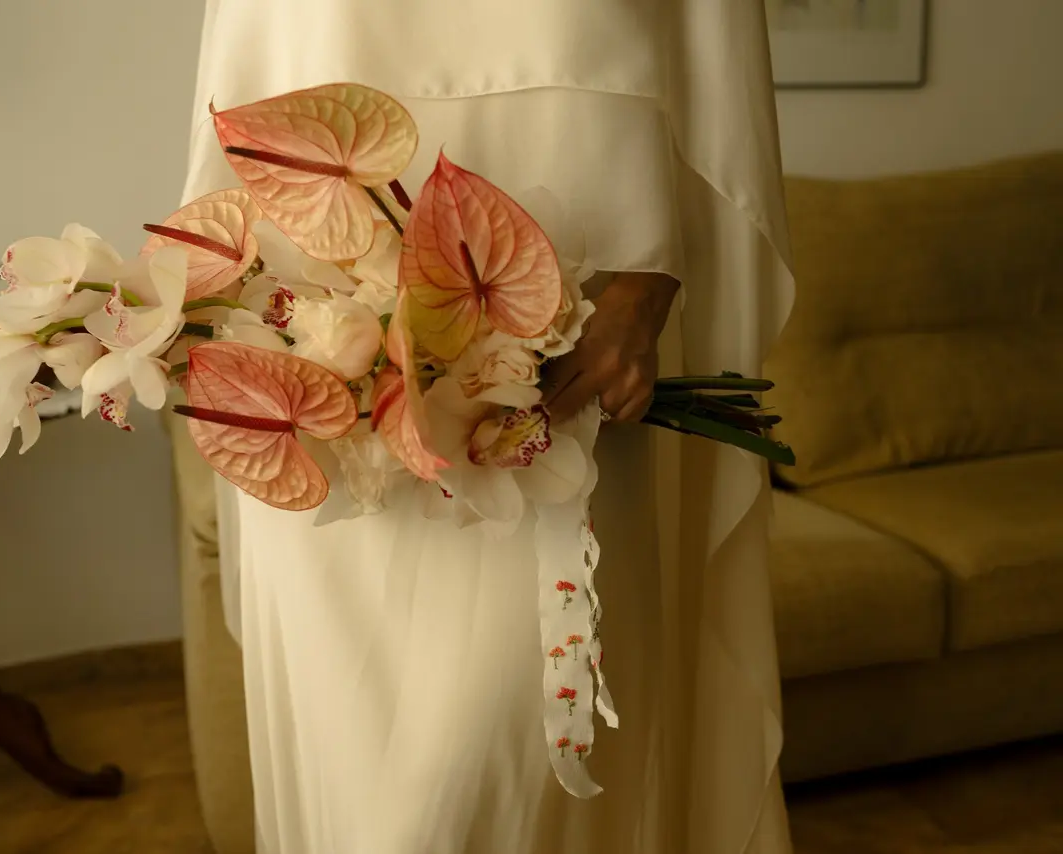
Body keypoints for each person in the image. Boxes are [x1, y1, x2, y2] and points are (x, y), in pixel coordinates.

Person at [181, 2, 796, 852]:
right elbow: (241, 71)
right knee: (360, 793)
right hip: (318, 355)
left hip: (573, 353)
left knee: (492, 775)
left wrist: (649, 287)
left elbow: (715, 50)